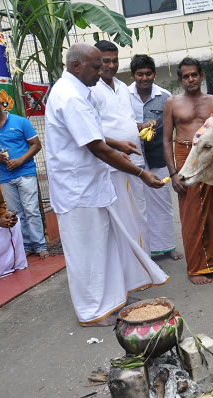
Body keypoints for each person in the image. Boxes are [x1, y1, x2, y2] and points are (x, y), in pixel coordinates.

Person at [45, 43, 168, 327]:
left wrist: (117, 143)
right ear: (76, 66)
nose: (101, 72)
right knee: (87, 253)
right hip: (78, 191)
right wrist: (140, 174)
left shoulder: (79, 91)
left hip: (91, 186)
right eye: (96, 67)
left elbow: (95, 135)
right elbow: (96, 148)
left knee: (105, 246)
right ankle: (91, 313)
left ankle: (112, 301)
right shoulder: (70, 96)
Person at [163, 57, 213, 285]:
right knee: (191, 215)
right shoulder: (172, 103)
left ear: (201, 76)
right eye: (186, 76)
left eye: (194, 74)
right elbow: (166, 140)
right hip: (186, 157)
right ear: (180, 79)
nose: (191, 79)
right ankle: (195, 268)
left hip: (209, 159)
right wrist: (173, 174)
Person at [90, 41, 150, 254]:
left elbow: (127, 120)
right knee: (122, 216)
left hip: (135, 160)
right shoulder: (91, 89)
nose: (111, 65)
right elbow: (91, 133)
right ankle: (131, 266)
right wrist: (117, 145)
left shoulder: (123, 87)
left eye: (115, 60)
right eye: (106, 61)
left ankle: (145, 261)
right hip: (112, 163)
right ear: (96, 61)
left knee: (139, 211)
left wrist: (142, 127)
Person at [0, 90, 49, 259]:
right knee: (16, 212)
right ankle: (27, 245)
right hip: (5, 176)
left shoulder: (20, 122)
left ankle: (40, 245)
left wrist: (21, 160)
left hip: (26, 172)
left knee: (31, 210)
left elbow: (36, 145)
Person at [128, 54, 183, 260]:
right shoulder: (124, 96)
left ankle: (168, 247)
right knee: (137, 205)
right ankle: (143, 250)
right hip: (132, 159)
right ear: (133, 75)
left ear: (154, 74)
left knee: (162, 203)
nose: (144, 78)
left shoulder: (165, 96)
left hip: (158, 157)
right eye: (140, 74)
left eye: (148, 73)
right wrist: (138, 127)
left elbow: (173, 127)